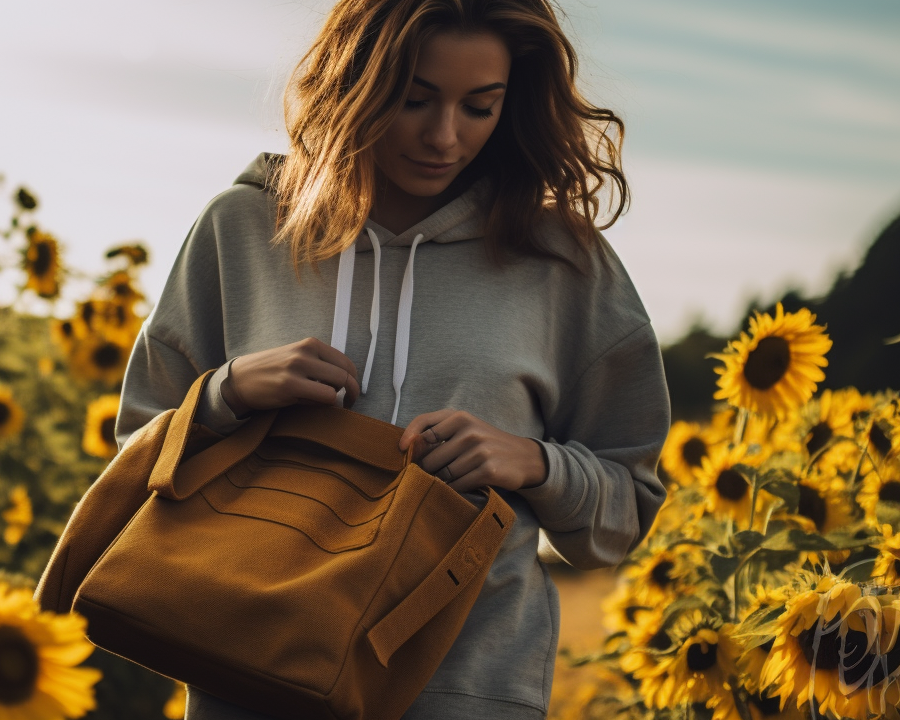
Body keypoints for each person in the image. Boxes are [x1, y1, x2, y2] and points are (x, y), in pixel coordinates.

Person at [112, 0, 670, 717]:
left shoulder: (563, 263)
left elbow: (626, 508)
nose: (444, 137)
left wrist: (533, 462)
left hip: (467, 687)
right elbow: (136, 451)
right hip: (246, 669)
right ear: (355, 84)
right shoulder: (243, 227)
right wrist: (228, 393)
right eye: (414, 100)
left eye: (480, 107)